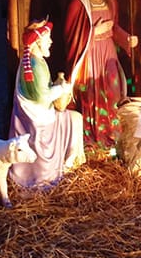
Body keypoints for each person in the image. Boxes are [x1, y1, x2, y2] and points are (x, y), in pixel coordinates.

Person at [63, 0, 138, 147]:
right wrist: (93, 32)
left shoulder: (111, 1)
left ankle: (111, 133)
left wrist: (127, 39)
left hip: (108, 52)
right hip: (89, 54)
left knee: (113, 90)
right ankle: (92, 135)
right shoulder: (79, 3)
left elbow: (114, 27)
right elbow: (70, 35)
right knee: (91, 91)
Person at [9, 19, 85, 188]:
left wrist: (57, 86)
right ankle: (63, 167)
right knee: (75, 120)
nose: (50, 42)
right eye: (47, 39)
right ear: (37, 41)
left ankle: (71, 162)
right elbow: (42, 97)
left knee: (75, 118)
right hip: (39, 121)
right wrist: (62, 88)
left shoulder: (36, 61)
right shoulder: (34, 66)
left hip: (40, 114)